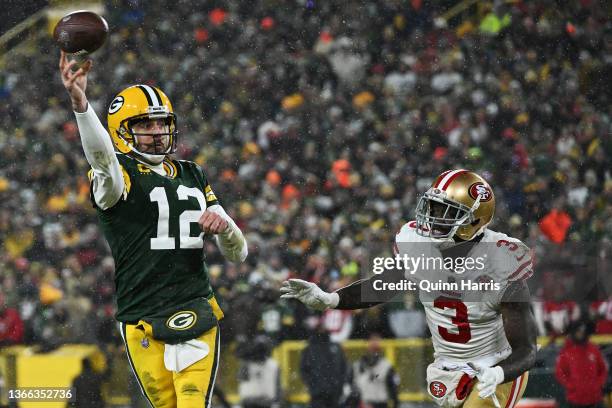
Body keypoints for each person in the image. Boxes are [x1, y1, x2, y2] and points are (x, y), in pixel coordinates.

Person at [59, 51, 248, 408]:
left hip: (195, 306)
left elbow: (239, 252)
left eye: (161, 123)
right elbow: (102, 161)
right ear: (121, 130)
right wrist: (81, 105)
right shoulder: (117, 177)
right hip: (141, 315)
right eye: (145, 125)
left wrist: (224, 229)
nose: (157, 132)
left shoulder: (193, 173)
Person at [282, 169, 537, 407]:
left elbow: (526, 349)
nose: (434, 218)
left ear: (474, 220)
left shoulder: (501, 262)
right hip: (448, 367)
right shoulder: (419, 246)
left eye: (446, 212)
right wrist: (330, 299)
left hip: (495, 365)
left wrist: (500, 372)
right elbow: (383, 285)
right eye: (434, 207)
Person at [555, 319, 608, 408]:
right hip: (575, 399)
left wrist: (598, 384)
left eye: (583, 331)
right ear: (573, 332)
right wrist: (572, 385)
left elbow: (603, 369)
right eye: (578, 331)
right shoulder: (567, 351)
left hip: (595, 398)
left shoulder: (593, 349)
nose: (581, 334)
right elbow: (559, 372)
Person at [300, 322, 348, 408]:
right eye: (320, 328)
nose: (322, 330)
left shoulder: (336, 347)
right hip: (318, 394)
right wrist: (313, 385)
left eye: (323, 328)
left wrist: (340, 384)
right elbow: (304, 370)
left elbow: (343, 367)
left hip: (334, 392)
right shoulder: (309, 349)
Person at [352, 333, 399, 408]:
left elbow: (394, 392)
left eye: (377, 341)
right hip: (362, 404)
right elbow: (351, 391)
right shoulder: (357, 366)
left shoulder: (386, 366)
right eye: (372, 341)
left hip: (380, 404)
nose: (374, 344)